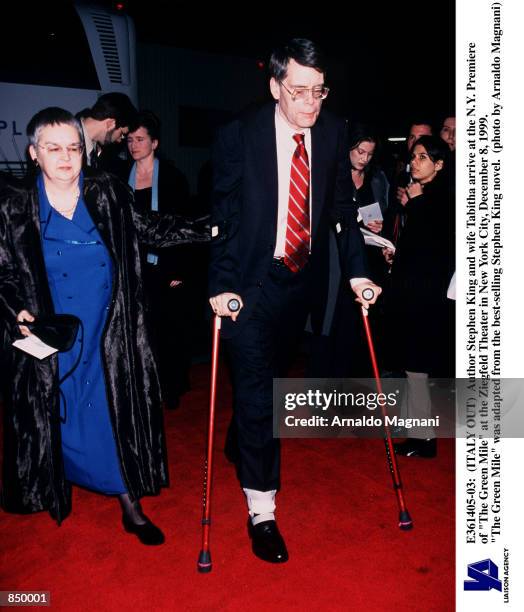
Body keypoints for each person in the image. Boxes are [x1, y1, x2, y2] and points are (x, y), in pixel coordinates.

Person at [0, 107, 209, 544]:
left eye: (74, 148)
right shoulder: (13, 203)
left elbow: (150, 227)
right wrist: (16, 311)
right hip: (53, 330)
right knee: (61, 411)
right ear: (34, 153)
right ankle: (58, 481)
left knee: (110, 411)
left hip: (106, 324)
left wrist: (212, 229)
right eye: (53, 149)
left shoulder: (107, 191)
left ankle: (129, 500)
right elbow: (3, 272)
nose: (66, 158)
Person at [208, 39, 380, 563]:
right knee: (260, 395)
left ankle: (244, 435)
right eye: (299, 91)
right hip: (250, 284)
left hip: (298, 284)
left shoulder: (331, 132)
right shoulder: (240, 134)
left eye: (319, 91)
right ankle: (263, 510)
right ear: (275, 86)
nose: (311, 103)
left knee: (270, 381)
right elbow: (224, 214)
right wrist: (221, 281)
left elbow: (342, 209)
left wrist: (357, 272)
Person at [383, 135, 454, 458]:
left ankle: (423, 437)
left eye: (423, 157)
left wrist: (417, 203)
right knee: (413, 365)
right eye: (414, 156)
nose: (415, 162)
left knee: (418, 364)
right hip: (415, 292)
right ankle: (416, 429)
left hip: (426, 296)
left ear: (439, 164)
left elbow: (434, 250)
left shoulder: (439, 198)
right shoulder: (423, 196)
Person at [307, 124, 390, 377]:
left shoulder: (377, 179)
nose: (364, 159)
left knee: (355, 330)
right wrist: (355, 218)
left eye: (370, 154)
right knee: (329, 323)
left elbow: (381, 211)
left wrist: (378, 225)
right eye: (360, 152)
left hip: (366, 257)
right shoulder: (333, 175)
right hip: (334, 257)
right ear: (347, 149)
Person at [127, 111, 193, 409]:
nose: (133, 145)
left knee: (169, 331)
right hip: (133, 268)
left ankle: (171, 387)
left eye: (140, 139)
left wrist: (179, 270)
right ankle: (142, 387)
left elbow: (182, 226)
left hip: (166, 267)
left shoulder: (172, 177)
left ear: (154, 143)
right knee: (140, 331)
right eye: (129, 139)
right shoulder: (120, 177)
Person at [77, 92, 137, 177]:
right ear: (110, 124)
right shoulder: (67, 140)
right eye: (122, 134)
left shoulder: (96, 150)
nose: (120, 140)